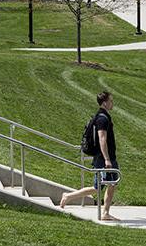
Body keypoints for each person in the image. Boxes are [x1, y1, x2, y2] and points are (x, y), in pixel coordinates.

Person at [60, 91, 120, 221]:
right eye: (111, 101)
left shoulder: (102, 116)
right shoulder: (102, 118)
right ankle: (70, 197)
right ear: (104, 102)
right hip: (104, 157)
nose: (112, 103)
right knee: (103, 185)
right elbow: (102, 139)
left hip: (103, 157)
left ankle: (104, 212)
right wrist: (107, 159)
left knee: (108, 184)